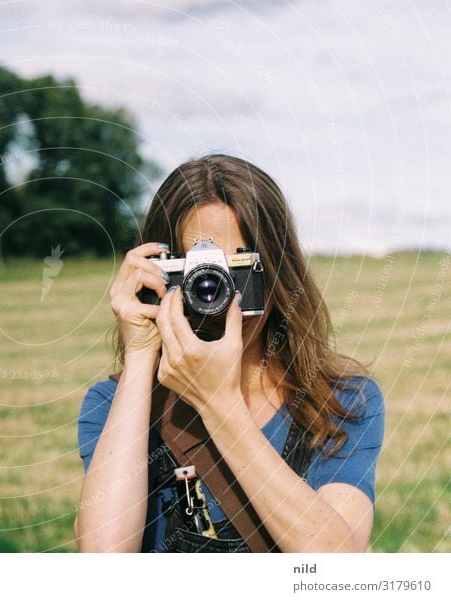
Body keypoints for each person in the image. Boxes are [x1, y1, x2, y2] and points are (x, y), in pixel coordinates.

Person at [74, 154, 385, 553]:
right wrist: (140, 354)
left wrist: (219, 403)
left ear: (277, 271)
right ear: (159, 276)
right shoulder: (116, 404)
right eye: (196, 276)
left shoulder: (343, 405)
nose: (216, 298)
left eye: (234, 271)